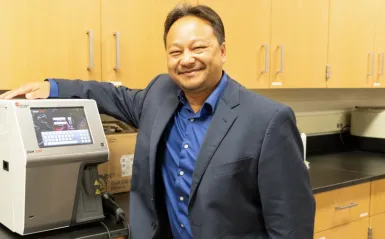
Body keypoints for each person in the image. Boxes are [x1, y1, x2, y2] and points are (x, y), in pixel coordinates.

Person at [0, 3, 315, 239]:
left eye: (198, 47)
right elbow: (108, 94)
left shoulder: (267, 120)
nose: (186, 59)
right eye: (175, 51)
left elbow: (292, 226)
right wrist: (51, 88)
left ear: (222, 51)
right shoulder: (159, 94)